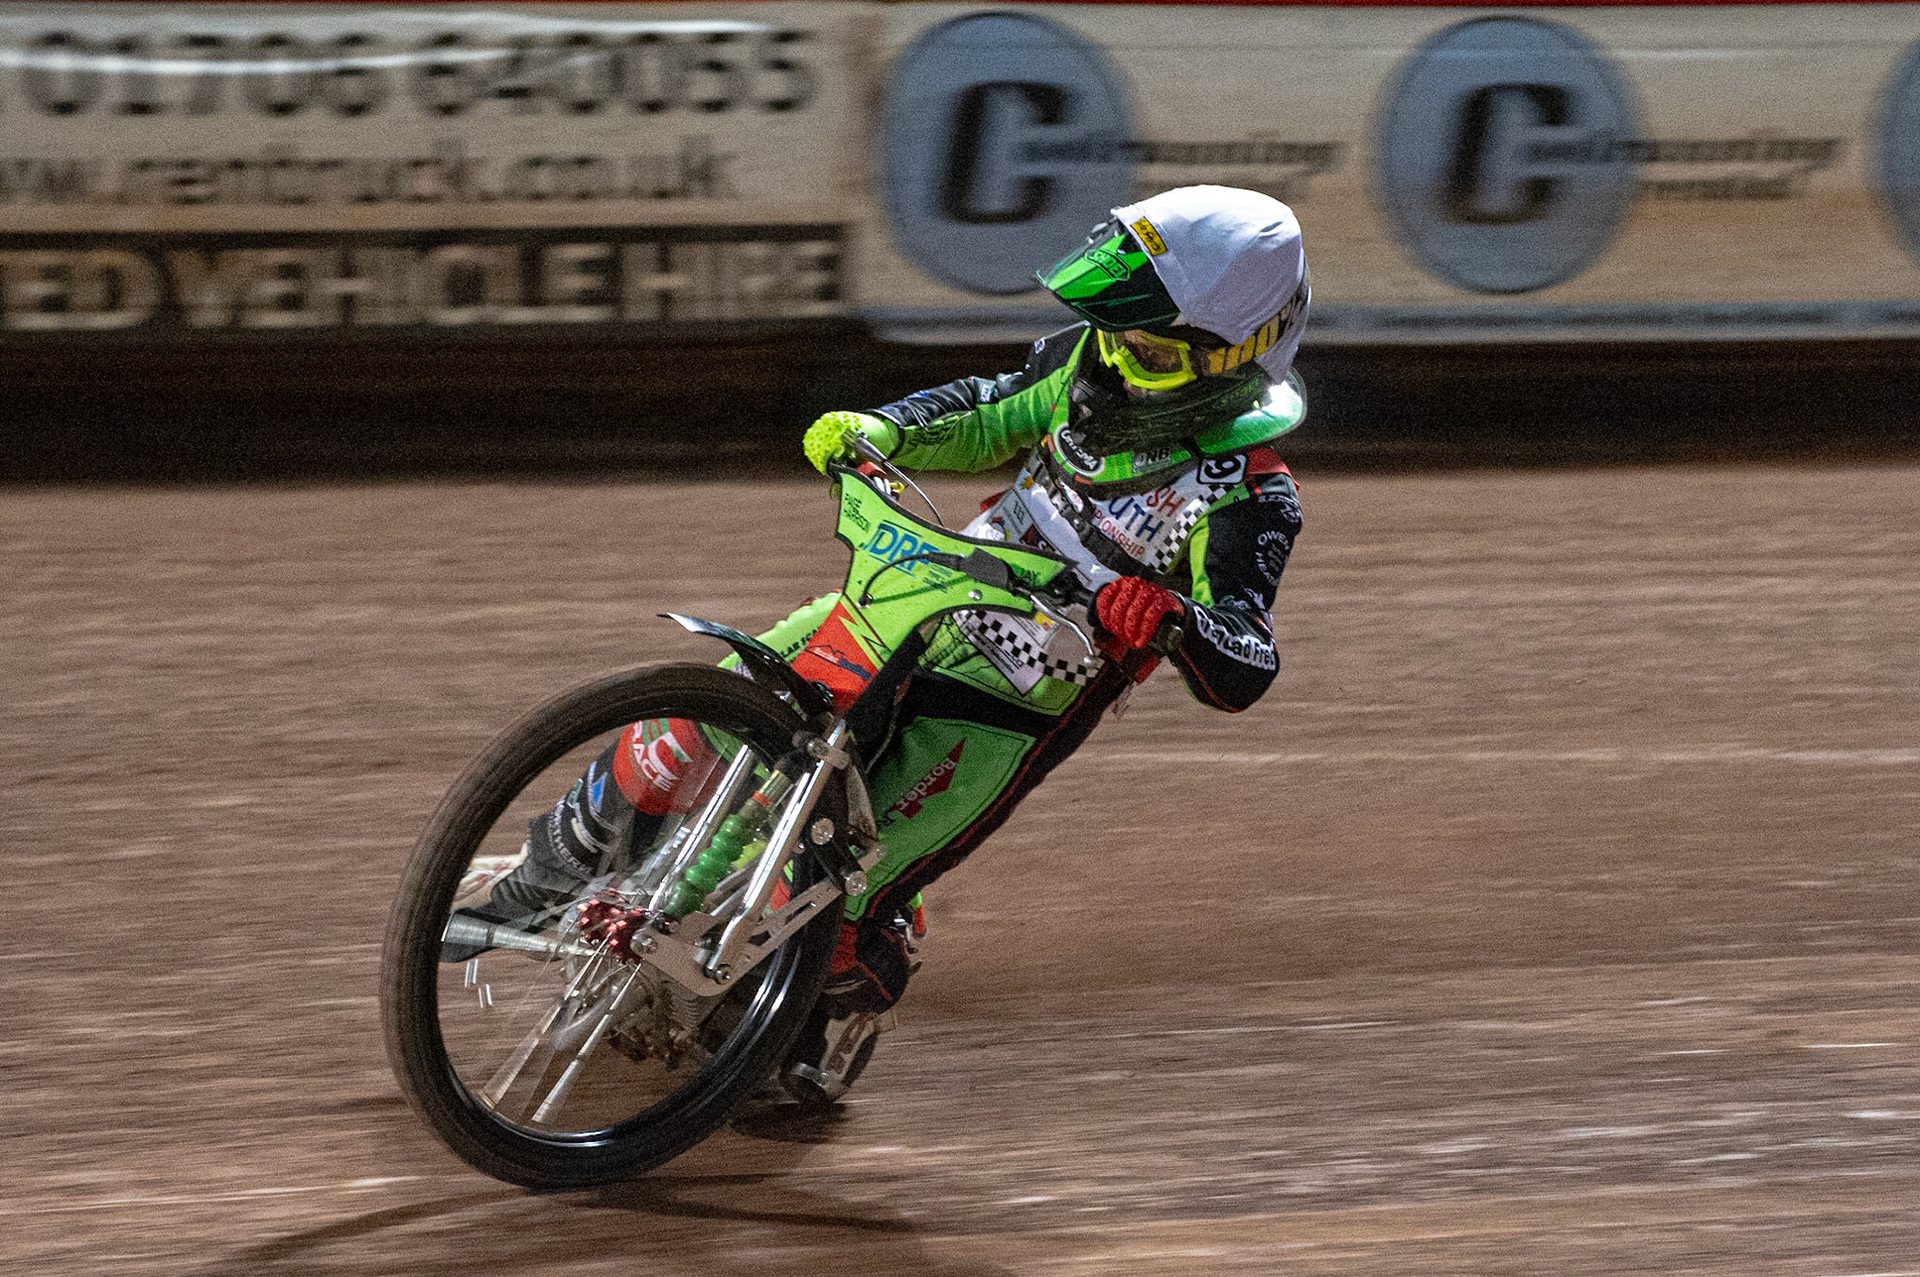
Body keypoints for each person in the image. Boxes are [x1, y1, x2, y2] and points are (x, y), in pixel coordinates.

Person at [466, 185, 1310, 1104]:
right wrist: (882, 429)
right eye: (1113, 331)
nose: (1114, 354)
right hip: (916, 595)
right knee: (691, 721)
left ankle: (841, 993)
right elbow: (987, 412)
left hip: (1013, 701)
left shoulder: (1250, 493)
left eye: (1145, 346)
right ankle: (542, 874)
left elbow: (1247, 658)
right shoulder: (1085, 361)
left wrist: (1173, 617)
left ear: (1235, 354)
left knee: (836, 886)